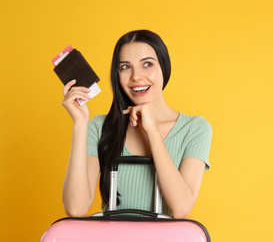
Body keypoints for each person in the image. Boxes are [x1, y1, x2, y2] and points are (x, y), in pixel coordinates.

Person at [61, 30, 212, 219]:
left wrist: (152, 131)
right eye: (125, 67)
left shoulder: (195, 129)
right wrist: (80, 123)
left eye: (147, 64)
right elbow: (76, 209)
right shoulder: (99, 127)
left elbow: (181, 208)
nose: (136, 77)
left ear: (164, 68)